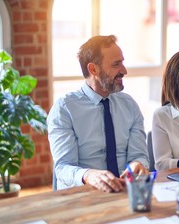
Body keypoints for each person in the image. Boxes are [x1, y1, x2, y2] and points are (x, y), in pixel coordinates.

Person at [47, 35, 149, 192]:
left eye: (122, 62)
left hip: (126, 191)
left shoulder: (130, 106)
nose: (124, 71)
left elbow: (140, 155)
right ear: (93, 69)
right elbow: (63, 167)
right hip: (83, 194)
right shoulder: (64, 109)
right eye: (116, 64)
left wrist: (137, 164)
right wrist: (88, 175)